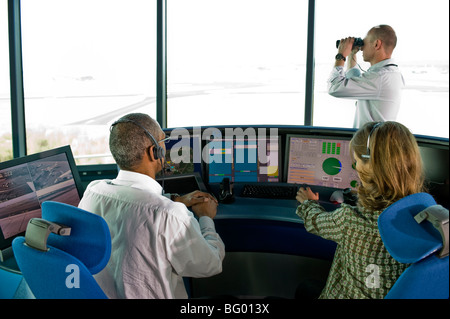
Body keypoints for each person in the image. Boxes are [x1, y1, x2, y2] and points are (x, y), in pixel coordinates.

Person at [78, 113, 225, 299]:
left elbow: (133, 204)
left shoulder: (93, 192)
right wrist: (206, 218)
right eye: (163, 142)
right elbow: (210, 264)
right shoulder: (170, 216)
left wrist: (176, 199)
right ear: (154, 152)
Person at [295, 121, 425, 299]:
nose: (355, 167)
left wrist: (308, 204)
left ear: (371, 168)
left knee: (304, 288)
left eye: (356, 162)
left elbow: (315, 223)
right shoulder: (424, 216)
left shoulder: (351, 219)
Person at [328, 25, 405, 128]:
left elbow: (334, 87)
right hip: (374, 141)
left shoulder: (380, 77)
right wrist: (352, 53)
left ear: (377, 44)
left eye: (364, 43)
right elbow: (353, 81)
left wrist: (341, 56)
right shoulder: (388, 74)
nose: (362, 48)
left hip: (370, 143)